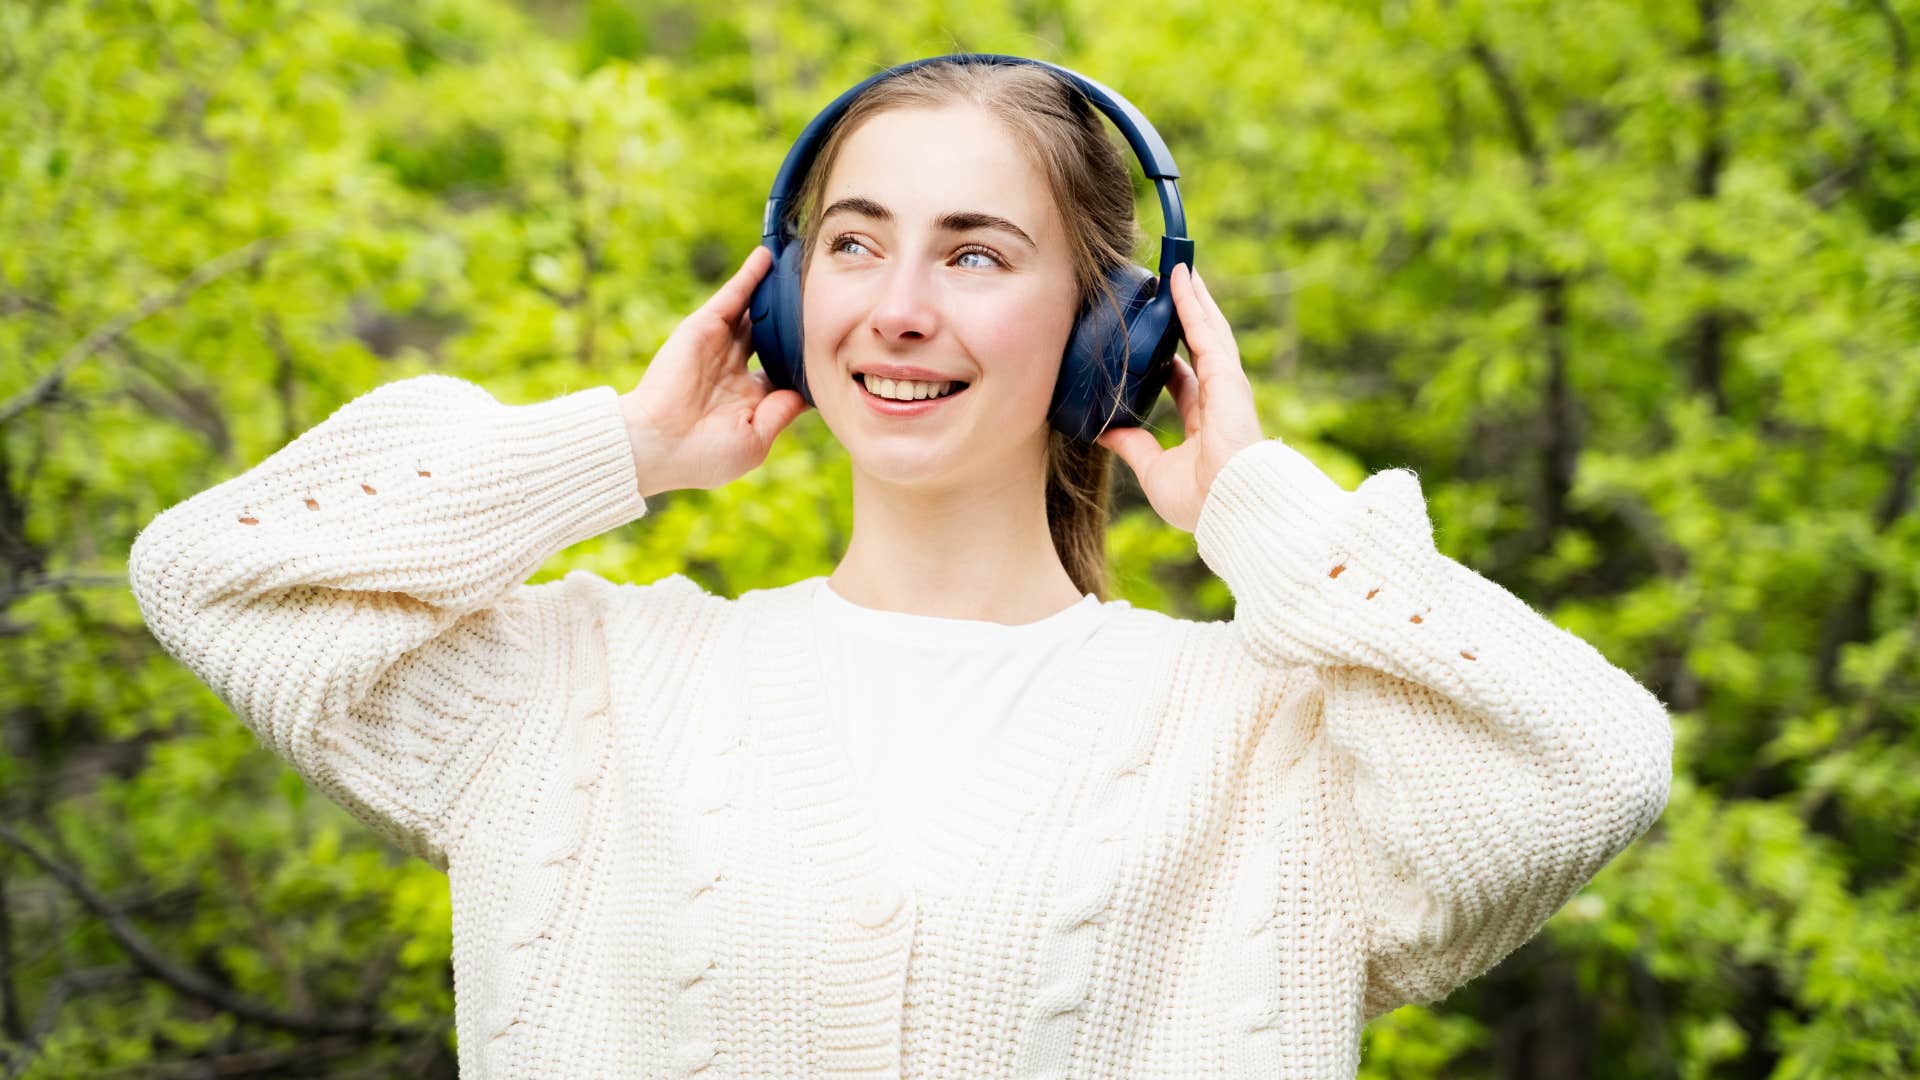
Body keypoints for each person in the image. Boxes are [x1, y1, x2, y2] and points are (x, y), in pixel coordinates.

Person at [128, 56, 1673, 1079]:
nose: (900, 306)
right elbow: (215, 574)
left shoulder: (1262, 743)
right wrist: (619, 450)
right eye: (854, 246)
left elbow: (1589, 762)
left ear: (1114, 333)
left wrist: (1255, 508)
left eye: (980, 254)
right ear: (787, 303)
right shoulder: (583, 691)